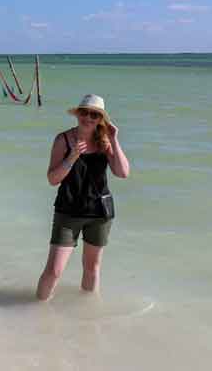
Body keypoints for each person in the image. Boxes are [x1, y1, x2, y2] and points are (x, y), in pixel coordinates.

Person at [36, 94, 130, 301]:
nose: (88, 118)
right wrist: (72, 157)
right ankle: (34, 312)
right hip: (68, 212)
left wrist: (114, 138)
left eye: (94, 115)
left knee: (92, 268)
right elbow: (52, 179)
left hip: (100, 213)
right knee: (54, 271)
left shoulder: (104, 141)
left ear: (100, 119)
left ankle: (87, 316)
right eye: (84, 113)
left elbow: (123, 172)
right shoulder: (63, 140)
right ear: (77, 114)